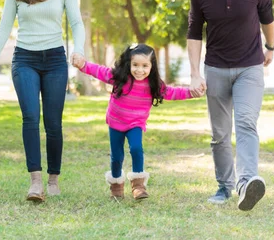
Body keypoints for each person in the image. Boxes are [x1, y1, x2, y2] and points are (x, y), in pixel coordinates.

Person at [0, 0, 85, 202]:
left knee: (53, 122)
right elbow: (4, 28)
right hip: (24, 60)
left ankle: (53, 179)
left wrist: (79, 50)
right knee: (30, 117)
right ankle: (35, 181)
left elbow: (76, 22)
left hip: (54, 61)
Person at [187, 0, 274, 211]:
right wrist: (194, 73)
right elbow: (193, 32)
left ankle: (246, 183)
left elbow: (267, 19)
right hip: (215, 68)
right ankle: (225, 187)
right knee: (220, 134)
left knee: (247, 122)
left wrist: (271, 46)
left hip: (249, 67)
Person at [72, 44, 202, 200]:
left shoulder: (153, 84)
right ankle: (116, 185)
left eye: (145, 66)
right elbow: (99, 71)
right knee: (117, 156)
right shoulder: (120, 77)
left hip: (135, 124)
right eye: (135, 65)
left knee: (136, 148)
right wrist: (83, 65)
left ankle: (138, 185)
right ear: (129, 64)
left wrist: (191, 93)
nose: (139, 70)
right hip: (115, 123)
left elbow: (172, 92)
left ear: (152, 66)